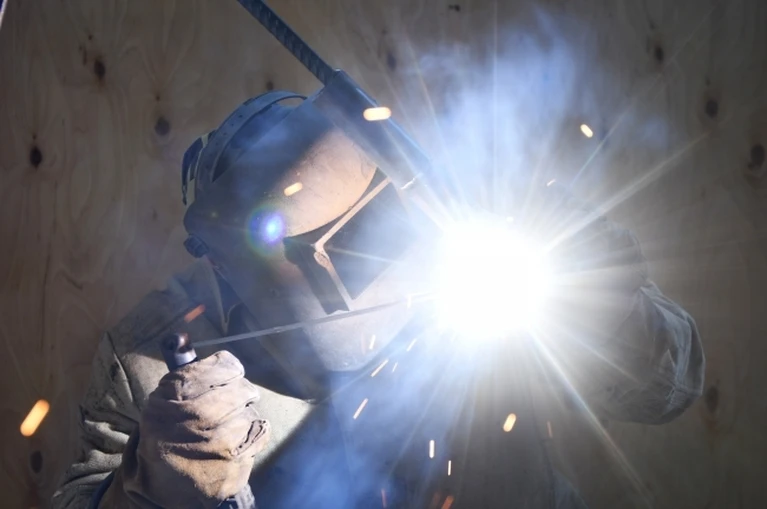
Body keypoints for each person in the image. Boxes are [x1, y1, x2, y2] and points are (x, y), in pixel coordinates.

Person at [52, 91, 705, 509]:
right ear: (223, 263)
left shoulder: (467, 255)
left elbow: (666, 392)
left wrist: (610, 310)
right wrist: (155, 483)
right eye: (305, 252)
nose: (348, 273)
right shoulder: (153, 360)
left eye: (359, 231)